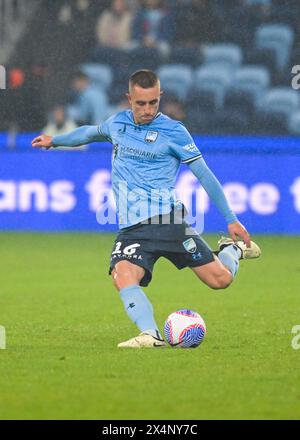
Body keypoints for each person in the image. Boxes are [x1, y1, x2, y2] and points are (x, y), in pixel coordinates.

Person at [32, 70, 261, 348]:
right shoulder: (117, 123)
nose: (148, 110)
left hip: (168, 222)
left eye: (153, 102)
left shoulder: (174, 131)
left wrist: (231, 219)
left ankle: (232, 250)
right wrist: (55, 141)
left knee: (220, 280)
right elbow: (89, 133)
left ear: (159, 97)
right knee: (122, 274)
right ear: (129, 99)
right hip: (131, 229)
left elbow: (204, 174)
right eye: (141, 103)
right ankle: (151, 335)